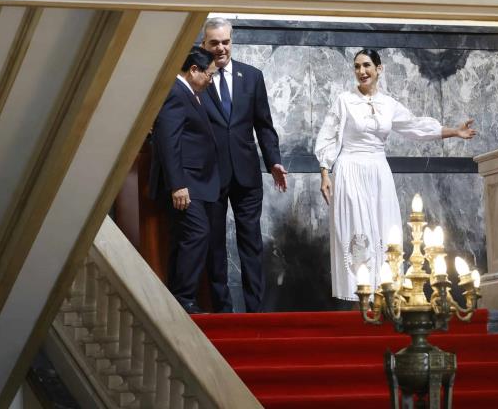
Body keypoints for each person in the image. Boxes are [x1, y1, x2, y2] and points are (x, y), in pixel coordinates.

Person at [314, 48, 478, 302]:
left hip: (379, 171)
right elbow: (327, 135)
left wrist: (454, 132)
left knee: (383, 230)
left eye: (367, 65)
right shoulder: (344, 101)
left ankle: (385, 293)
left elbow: (416, 127)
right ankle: (358, 297)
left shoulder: (388, 104)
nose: (361, 71)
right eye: (357, 67)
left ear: (379, 69)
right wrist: (325, 173)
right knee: (357, 231)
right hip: (350, 169)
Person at [199, 17, 288, 313]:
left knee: (251, 242)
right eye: (214, 43)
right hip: (209, 175)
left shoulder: (252, 76)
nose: (221, 48)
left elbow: (264, 125)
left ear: (231, 41)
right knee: (215, 245)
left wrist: (273, 161)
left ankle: (255, 310)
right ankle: (222, 310)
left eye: (225, 42)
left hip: (247, 174)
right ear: (204, 45)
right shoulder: (196, 78)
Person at [149, 46, 219, 314]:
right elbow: (167, 141)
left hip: (195, 182)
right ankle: (184, 298)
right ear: (193, 70)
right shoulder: (176, 93)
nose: (210, 80)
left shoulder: (188, 93)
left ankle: (179, 297)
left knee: (186, 236)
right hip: (186, 184)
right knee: (196, 233)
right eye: (208, 75)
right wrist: (178, 185)